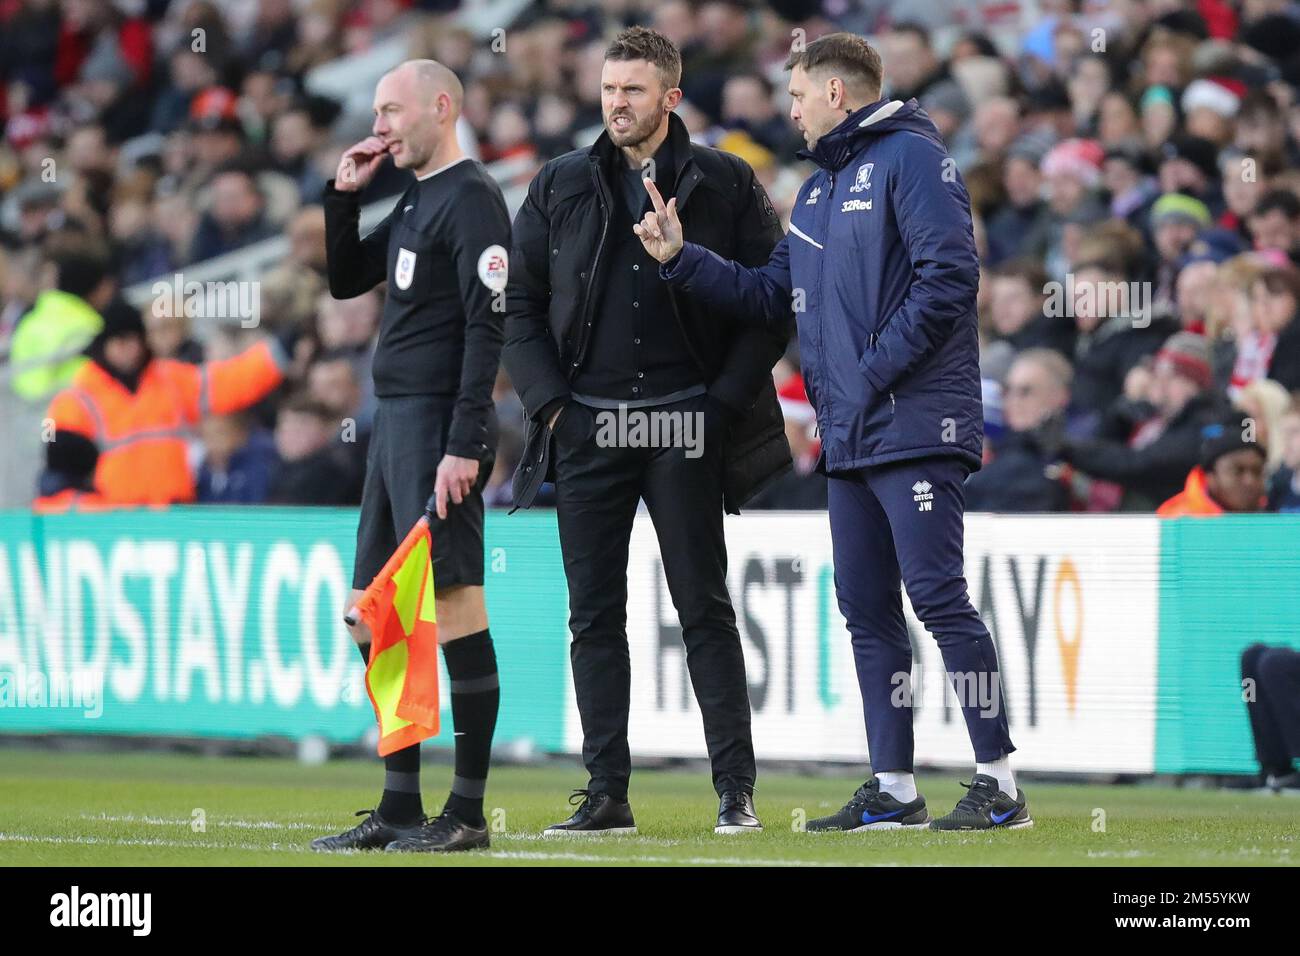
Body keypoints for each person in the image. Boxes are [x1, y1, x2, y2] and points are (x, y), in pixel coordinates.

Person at [637, 32, 1027, 831]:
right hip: (851, 436)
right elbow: (767, 294)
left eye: (796, 96)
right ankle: (895, 786)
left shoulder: (915, 160)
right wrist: (682, 260)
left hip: (914, 423)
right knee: (867, 608)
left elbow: (951, 274)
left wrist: (870, 371)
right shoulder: (818, 192)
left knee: (938, 599)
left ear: (836, 95)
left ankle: (1001, 785)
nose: (790, 110)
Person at [503, 27, 789, 836]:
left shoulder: (728, 181)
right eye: (608, 89)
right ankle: (606, 795)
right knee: (594, 614)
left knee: (703, 607)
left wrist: (720, 406)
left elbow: (770, 308)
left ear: (670, 97)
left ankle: (736, 793)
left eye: (632, 90)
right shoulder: (558, 182)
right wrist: (554, 408)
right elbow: (516, 305)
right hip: (587, 422)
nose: (615, 104)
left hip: (685, 423)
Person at [315, 59, 510, 854]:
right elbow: (345, 280)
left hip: (439, 427)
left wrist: (466, 440)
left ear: (441, 106)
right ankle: (399, 804)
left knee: (457, 603)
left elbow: (485, 326)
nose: (381, 124)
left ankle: (465, 812)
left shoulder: (473, 201)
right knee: (373, 612)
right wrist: (343, 196)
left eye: (392, 110)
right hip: (394, 424)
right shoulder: (418, 197)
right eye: (375, 112)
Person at [41, 300, 285, 506]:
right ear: (103, 346)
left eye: (134, 340)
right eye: (119, 342)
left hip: (175, 514)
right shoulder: (75, 398)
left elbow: (232, 381)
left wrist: (279, 353)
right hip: (116, 520)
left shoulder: (172, 379)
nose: (129, 350)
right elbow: (48, 434)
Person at [1157, 418, 1268, 516]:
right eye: (1237, 471)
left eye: (1257, 472)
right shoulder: (1177, 519)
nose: (1250, 481)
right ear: (1210, 477)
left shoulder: (1274, 515)